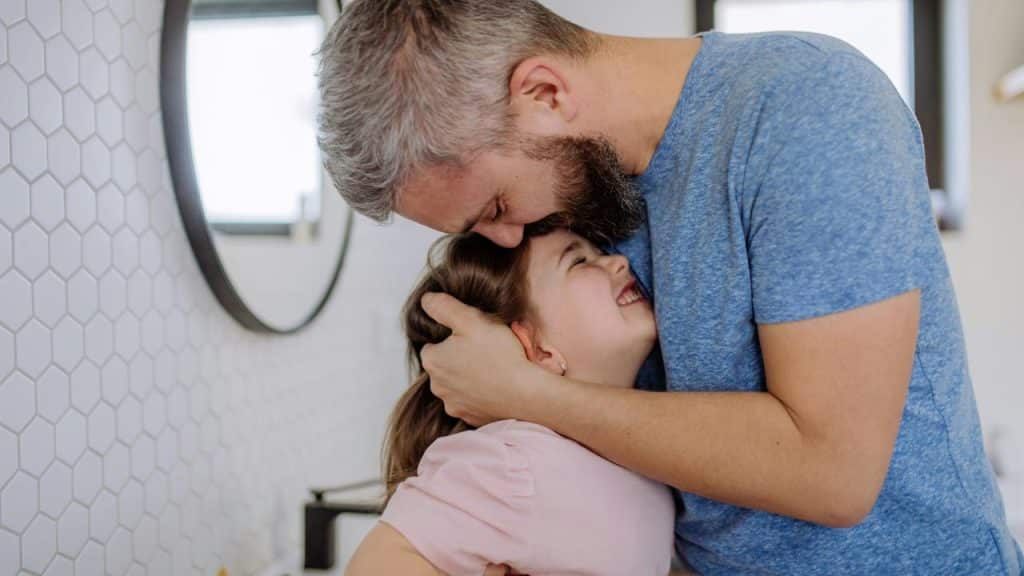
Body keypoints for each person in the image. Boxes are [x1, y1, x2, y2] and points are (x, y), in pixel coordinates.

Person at [317, 1, 1024, 573]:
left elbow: (832, 473)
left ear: (543, 91)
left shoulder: (806, 109)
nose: (506, 236)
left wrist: (529, 395)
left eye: (496, 207)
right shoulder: (581, 203)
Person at [346, 228, 676, 575]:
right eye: (579, 260)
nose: (621, 262)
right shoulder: (510, 461)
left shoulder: (641, 451)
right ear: (535, 345)